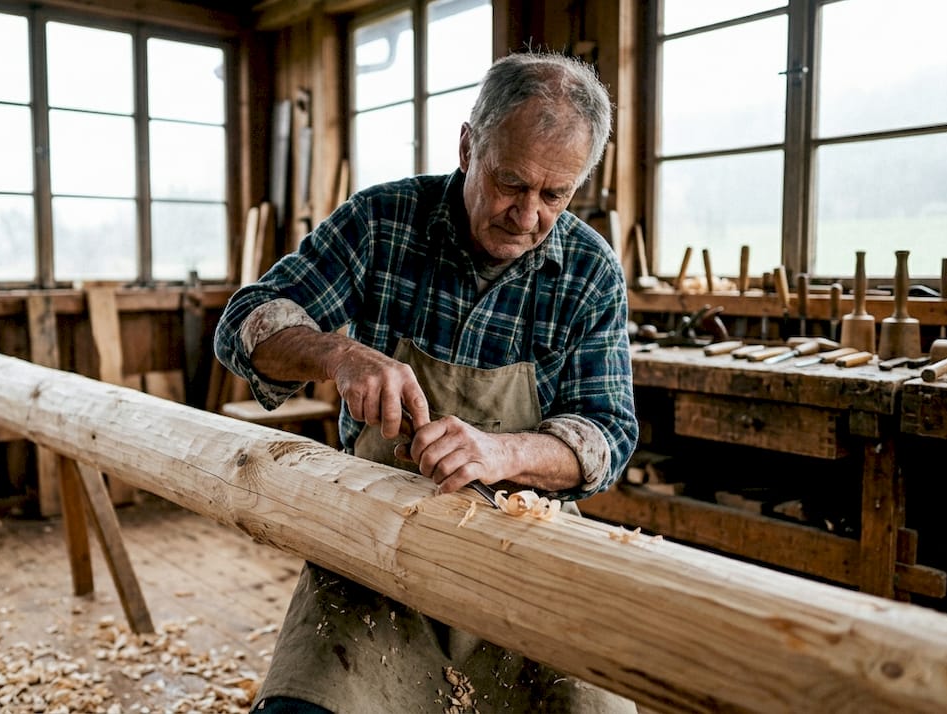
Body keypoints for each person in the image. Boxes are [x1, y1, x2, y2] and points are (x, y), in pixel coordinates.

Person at [214, 49, 638, 714]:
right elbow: (245, 325)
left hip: (526, 559)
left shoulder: (590, 272)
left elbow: (606, 434)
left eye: (553, 195)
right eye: (509, 183)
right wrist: (336, 353)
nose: (526, 216)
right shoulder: (381, 223)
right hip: (375, 547)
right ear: (469, 146)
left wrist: (504, 452)